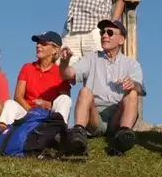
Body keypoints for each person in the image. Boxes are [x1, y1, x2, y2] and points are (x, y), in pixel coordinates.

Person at [60, 19, 146, 156]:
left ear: (121, 40)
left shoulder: (131, 64)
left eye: (110, 32)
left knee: (133, 93)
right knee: (84, 91)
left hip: (118, 115)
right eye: (102, 32)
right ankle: (78, 135)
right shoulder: (91, 58)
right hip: (95, 116)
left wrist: (133, 84)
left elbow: (141, 88)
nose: (104, 35)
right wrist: (64, 61)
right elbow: (67, 74)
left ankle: (123, 137)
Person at [0, 31, 72, 137]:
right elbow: (18, 96)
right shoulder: (27, 67)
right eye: (38, 43)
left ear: (55, 49)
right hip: (27, 112)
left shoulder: (60, 72)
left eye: (43, 43)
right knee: (10, 104)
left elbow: (64, 101)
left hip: (49, 116)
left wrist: (49, 105)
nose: (38, 45)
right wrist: (32, 112)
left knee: (65, 99)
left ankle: (59, 134)